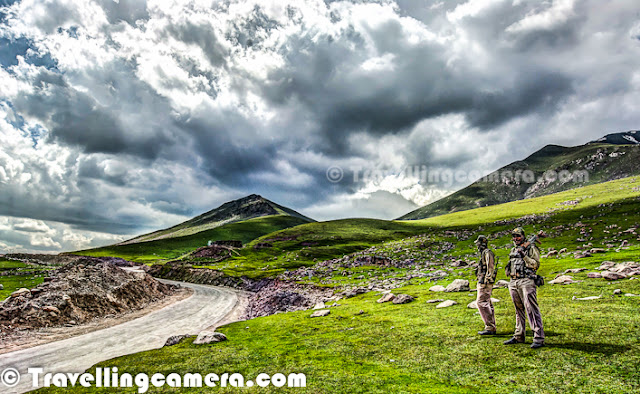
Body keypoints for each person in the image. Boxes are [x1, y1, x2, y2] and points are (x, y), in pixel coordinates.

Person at [503, 227, 545, 349]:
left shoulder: (531, 248)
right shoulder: (514, 249)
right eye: (514, 236)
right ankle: (519, 335)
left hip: (526, 281)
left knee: (531, 309)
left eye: (518, 236)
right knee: (518, 309)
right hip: (514, 281)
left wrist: (524, 257)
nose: (516, 238)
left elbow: (535, 264)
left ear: (523, 236)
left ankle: (538, 337)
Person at [474, 235, 497, 335]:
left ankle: (490, 327)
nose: (477, 245)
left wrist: (488, 278)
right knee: (486, 302)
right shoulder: (484, 253)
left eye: (478, 243)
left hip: (485, 281)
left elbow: (490, 266)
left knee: (481, 302)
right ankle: (491, 325)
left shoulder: (487, 253)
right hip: (482, 280)